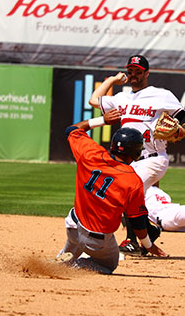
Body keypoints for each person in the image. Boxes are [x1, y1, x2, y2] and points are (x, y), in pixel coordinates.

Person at [88, 54, 185, 254]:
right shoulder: (122, 98)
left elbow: (184, 118)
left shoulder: (161, 94)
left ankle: (132, 240)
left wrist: (183, 130)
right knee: (130, 195)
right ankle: (149, 233)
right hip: (130, 160)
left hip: (152, 158)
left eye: (138, 71)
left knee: (126, 192)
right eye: (130, 71)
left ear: (146, 73)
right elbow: (93, 100)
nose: (133, 75)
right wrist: (112, 80)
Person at [55, 110, 167, 274]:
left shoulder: (91, 153)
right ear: (136, 153)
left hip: (73, 224)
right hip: (95, 240)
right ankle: (75, 265)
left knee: (70, 249)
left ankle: (61, 261)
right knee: (109, 265)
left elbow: (72, 129)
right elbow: (137, 222)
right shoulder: (132, 181)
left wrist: (103, 120)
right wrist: (149, 246)